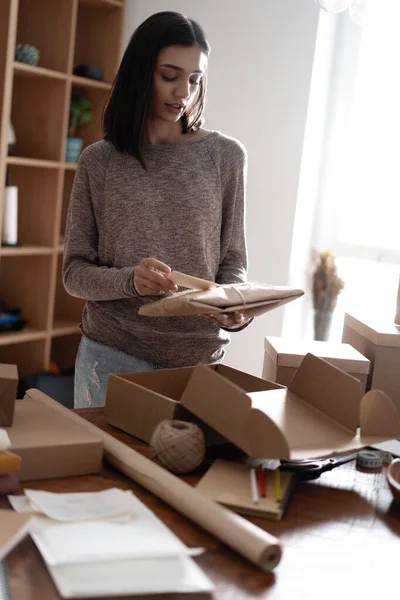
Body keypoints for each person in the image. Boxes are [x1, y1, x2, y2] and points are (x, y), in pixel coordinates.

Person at [63, 11, 252, 409]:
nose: (183, 92)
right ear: (140, 72)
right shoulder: (100, 161)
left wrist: (236, 306)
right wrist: (130, 281)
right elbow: (74, 274)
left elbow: (232, 261)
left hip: (198, 363)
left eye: (195, 79)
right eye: (170, 75)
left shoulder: (226, 156)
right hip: (111, 355)